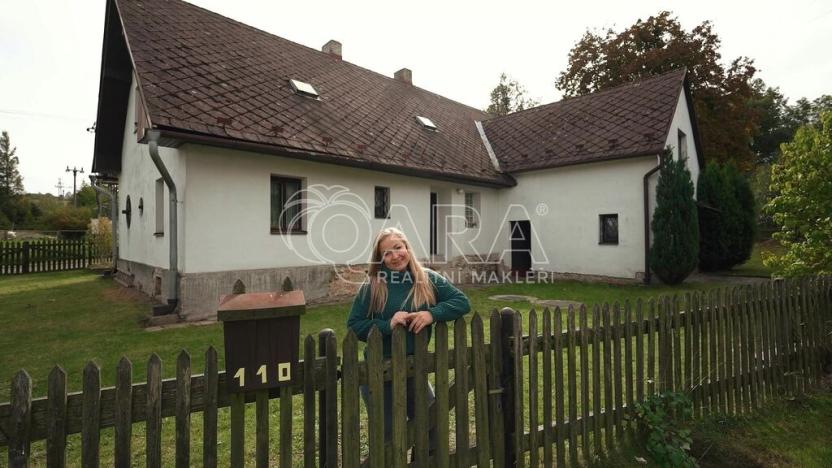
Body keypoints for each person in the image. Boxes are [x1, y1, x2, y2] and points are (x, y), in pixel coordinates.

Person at [347, 227, 471, 444]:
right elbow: (354, 325)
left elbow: (462, 302)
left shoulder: (427, 279)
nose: (395, 256)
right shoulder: (373, 286)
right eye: (387, 253)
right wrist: (388, 324)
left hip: (415, 369)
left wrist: (432, 313)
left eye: (398, 247)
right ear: (380, 259)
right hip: (379, 372)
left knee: (431, 429)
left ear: (407, 247)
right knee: (388, 436)